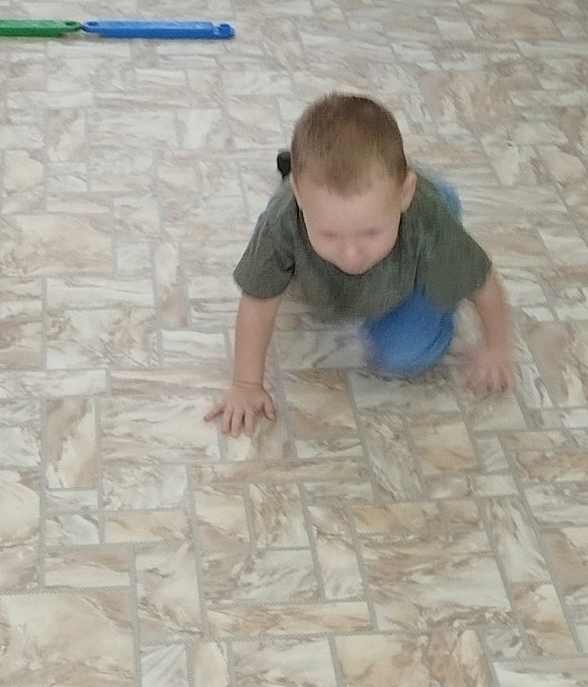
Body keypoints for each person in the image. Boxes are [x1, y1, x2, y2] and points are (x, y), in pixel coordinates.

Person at [207, 93, 513, 437]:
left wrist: (495, 348)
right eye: (329, 234)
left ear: (404, 195)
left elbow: (482, 282)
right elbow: (257, 300)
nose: (351, 255)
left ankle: (440, 194)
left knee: (406, 355)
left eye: (371, 233)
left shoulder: (426, 223)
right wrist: (246, 384)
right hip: (329, 208)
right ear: (298, 196)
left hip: (417, 239)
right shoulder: (282, 220)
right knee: (279, 248)